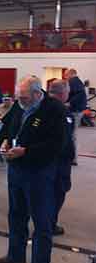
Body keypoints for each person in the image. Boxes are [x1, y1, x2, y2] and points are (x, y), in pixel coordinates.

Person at [0, 76, 66, 263]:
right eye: (19, 97)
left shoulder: (54, 110)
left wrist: (26, 151)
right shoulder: (20, 105)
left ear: (37, 94)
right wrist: (5, 141)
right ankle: (16, 255)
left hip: (39, 173)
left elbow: (56, 145)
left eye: (24, 97)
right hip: (16, 170)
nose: (20, 101)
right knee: (16, 215)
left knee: (42, 223)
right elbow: (9, 126)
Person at [48, 80, 75, 236]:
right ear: (63, 93)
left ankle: (47, 222)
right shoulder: (63, 112)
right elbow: (64, 139)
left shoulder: (42, 107)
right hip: (59, 161)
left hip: (47, 160)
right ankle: (49, 224)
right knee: (58, 192)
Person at [64, 68, 86, 166]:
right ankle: (72, 157)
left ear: (71, 74)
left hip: (75, 111)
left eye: (66, 75)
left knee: (72, 134)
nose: (65, 77)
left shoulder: (74, 81)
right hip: (77, 110)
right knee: (72, 134)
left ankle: (73, 157)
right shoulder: (78, 82)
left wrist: (69, 103)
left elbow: (79, 94)